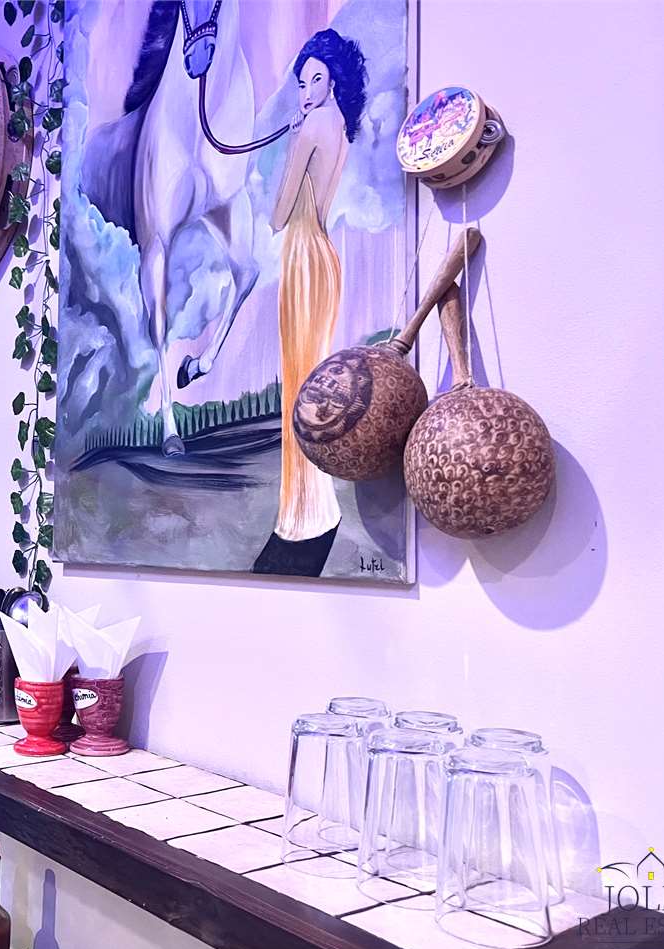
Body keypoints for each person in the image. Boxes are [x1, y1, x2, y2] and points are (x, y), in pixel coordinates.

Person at [253, 28, 367, 577]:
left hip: (302, 254)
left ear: (333, 81)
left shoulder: (314, 127)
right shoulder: (340, 126)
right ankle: (316, 508)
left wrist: (291, 144)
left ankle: (302, 517)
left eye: (315, 80)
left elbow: (279, 215)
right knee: (311, 383)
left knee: (299, 385)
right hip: (325, 257)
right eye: (301, 83)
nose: (305, 92)